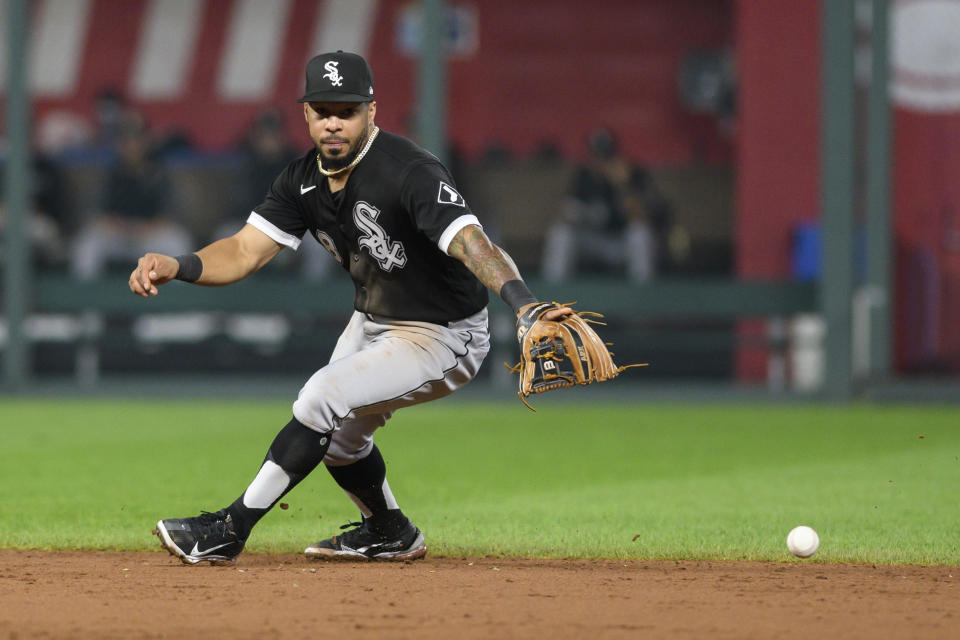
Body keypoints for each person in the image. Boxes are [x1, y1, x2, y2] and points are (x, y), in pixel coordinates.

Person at [130, 51, 570, 565]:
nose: (334, 122)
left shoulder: (410, 171)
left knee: (321, 395)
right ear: (307, 116)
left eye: (348, 110)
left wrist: (524, 305)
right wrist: (178, 264)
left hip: (444, 333)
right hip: (374, 321)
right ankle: (390, 530)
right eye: (323, 110)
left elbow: (473, 243)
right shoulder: (300, 181)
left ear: (372, 112)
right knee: (338, 441)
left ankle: (229, 528)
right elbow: (244, 251)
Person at [541, 128, 671, 282]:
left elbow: (641, 217)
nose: (601, 162)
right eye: (597, 156)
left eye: (606, 156)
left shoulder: (632, 174)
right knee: (561, 233)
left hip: (621, 243)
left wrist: (623, 185)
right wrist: (575, 215)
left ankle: (643, 292)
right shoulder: (584, 176)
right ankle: (552, 295)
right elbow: (565, 214)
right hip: (593, 242)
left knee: (640, 233)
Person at [72, 120, 191, 279]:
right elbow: (96, 212)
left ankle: (182, 302)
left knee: (178, 242)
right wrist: (118, 226)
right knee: (87, 244)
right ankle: (87, 303)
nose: (131, 146)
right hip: (117, 236)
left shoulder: (158, 174)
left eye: (136, 140)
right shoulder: (111, 174)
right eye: (126, 141)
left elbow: (169, 215)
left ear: (145, 142)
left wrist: (144, 228)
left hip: (150, 236)